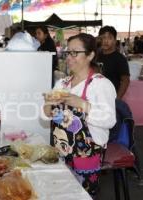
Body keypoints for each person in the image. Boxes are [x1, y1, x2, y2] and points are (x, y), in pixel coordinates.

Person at [42, 33, 116, 198]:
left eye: (75, 53)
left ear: (90, 55)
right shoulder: (62, 83)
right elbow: (45, 117)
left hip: (86, 154)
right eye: (68, 53)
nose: (69, 57)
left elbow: (110, 120)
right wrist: (47, 103)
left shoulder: (100, 84)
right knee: (61, 194)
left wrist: (82, 104)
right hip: (60, 151)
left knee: (82, 195)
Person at [97, 26, 130, 99]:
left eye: (109, 38)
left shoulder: (120, 58)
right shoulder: (95, 56)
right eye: (103, 38)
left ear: (115, 41)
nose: (105, 41)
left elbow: (125, 81)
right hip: (96, 96)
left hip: (111, 97)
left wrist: (117, 99)